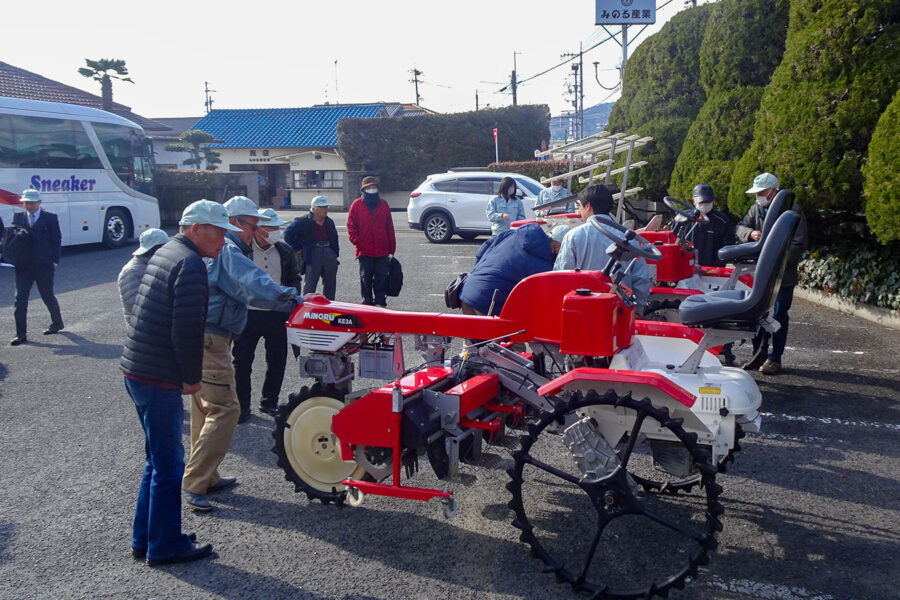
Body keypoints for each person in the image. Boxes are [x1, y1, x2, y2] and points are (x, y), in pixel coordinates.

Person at [121, 199, 237, 566]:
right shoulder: (189, 265)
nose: (223, 241)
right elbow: (186, 329)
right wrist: (190, 378)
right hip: (158, 374)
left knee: (155, 462)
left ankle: (148, 538)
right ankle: (165, 545)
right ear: (195, 229)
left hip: (137, 368)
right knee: (169, 465)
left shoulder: (167, 252)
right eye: (218, 232)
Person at [182, 196, 302, 512]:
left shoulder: (223, 249)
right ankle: (196, 482)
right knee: (225, 409)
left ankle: (206, 475)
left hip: (202, 334)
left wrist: (282, 300)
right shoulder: (231, 250)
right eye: (252, 226)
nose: (255, 232)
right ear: (235, 223)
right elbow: (254, 281)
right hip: (212, 339)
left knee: (204, 410)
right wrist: (293, 297)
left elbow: (250, 292)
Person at [232, 208, 303, 423]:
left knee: (277, 360)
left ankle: (269, 401)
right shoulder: (242, 251)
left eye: (277, 228)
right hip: (249, 313)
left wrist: (291, 299)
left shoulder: (285, 250)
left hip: (277, 314)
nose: (276, 232)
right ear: (258, 230)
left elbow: (294, 278)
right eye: (271, 228)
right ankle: (242, 407)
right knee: (242, 361)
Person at [738, 172, 808, 375]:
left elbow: (798, 243)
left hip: (782, 275)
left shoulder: (793, 211)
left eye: (762, 192)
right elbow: (740, 227)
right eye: (757, 193)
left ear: (774, 191)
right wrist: (749, 234)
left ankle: (774, 358)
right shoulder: (756, 209)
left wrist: (776, 260)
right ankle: (757, 353)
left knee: (779, 315)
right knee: (756, 312)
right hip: (759, 274)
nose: (758, 196)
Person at [554, 184, 651, 314]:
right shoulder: (629, 237)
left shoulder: (573, 236)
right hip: (620, 310)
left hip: (581, 311)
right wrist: (638, 309)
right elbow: (641, 277)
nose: (580, 212)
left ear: (588, 206)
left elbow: (562, 275)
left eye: (580, 207)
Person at [459, 223, 568, 316]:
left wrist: (478, 274)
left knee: (471, 336)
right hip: (488, 302)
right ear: (557, 246)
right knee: (497, 338)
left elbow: (482, 250)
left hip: (467, 289)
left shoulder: (514, 233)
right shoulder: (543, 265)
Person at [10, 189, 63, 346]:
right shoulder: (18, 217)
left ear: (39, 203)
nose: (29, 206)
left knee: (47, 295)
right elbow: (13, 239)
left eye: (32, 203)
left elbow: (56, 240)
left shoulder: (50, 218)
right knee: (20, 299)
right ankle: (21, 334)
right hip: (23, 266)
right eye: (26, 203)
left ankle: (57, 323)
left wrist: (55, 261)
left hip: (44, 265)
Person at [347, 176, 396, 307]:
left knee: (381, 277)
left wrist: (391, 249)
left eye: (373, 187)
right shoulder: (356, 205)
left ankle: (380, 300)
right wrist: (358, 242)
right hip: (364, 250)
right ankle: (367, 301)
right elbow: (351, 226)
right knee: (365, 277)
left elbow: (389, 227)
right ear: (363, 189)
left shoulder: (384, 204)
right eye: (369, 187)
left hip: (382, 249)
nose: (372, 189)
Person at [284, 195, 340, 300]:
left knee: (331, 283)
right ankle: (307, 306)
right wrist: (297, 249)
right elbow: (287, 234)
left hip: (328, 252)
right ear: (314, 209)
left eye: (326, 207)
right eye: (322, 207)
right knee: (310, 283)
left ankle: (330, 306)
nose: (326, 209)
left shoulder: (329, 222)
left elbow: (335, 238)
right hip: (313, 253)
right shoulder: (303, 221)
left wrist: (335, 253)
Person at [117, 228, 169, 322]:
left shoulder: (159, 265)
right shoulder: (131, 272)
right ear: (156, 249)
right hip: (143, 329)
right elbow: (136, 307)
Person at [686, 183, 733, 267]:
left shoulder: (722, 221)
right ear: (693, 201)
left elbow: (727, 247)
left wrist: (716, 266)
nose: (705, 204)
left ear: (713, 201)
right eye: (702, 202)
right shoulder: (683, 218)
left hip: (712, 271)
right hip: (686, 269)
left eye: (708, 201)